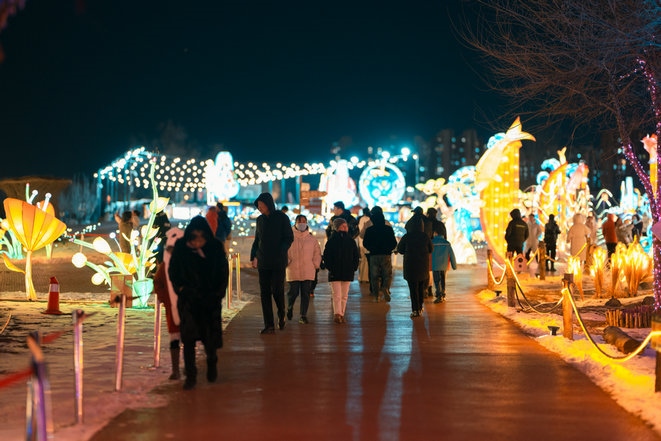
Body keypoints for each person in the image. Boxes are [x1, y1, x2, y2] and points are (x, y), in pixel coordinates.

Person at [168, 216, 228, 390]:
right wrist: (180, 288)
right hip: (189, 300)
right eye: (195, 237)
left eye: (201, 237)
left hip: (210, 300)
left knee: (209, 339)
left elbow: (223, 272)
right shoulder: (181, 247)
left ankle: (212, 362)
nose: (198, 241)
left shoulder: (215, 247)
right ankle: (191, 375)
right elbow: (173, 270)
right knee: (188, 340)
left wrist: (218, 294)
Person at [250, 192, 294, 334]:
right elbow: (257, 240)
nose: (259, 208)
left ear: (268, 204)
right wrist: (253, 255)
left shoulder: (282, 217)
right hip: (263, 261)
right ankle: (269, 324)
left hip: (278, 261)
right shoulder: (260, 220)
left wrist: (282, 250)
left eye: (261, 205)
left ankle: (281, 313)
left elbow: (289, 237)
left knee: (277, 290)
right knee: (264, 293)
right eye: (258, 206)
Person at [153, 227, 184, 380]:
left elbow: (157, 283)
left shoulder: (167, 265)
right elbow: (158, 283)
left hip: (182, 306)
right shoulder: (167, 266)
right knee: (179, 337)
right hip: (177, 307)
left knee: (178, 337)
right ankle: (179, 369)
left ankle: (180, 369)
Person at [322, 217, 359, 324]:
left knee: (344, 295)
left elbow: (355, 256)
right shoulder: (332, 241)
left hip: (347, 271)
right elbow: (327, 256)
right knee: (337, 294)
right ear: (337, 227)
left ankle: (341, 314)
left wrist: (354, 267)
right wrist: (330, 267)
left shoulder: (351, 241)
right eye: (342, 226)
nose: (345, 228)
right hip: (335, 271)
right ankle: (337, 314)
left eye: (346, 226)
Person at [286, 214, 321, 324]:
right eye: (300, 221)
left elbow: (317, 253)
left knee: (306, 293)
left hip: (308, 269)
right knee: (293, 292)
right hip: (293, 269)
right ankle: (290, 307)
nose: (302, 223)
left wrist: (315, 264)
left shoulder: (312, 239)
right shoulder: (289, 237)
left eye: (304, 221)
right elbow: (284, 251)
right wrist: (287, 261)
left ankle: (303, 315)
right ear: (295, 223)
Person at [396, 215, 432, 318]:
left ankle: (415, 310)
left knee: (413, 289)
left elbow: (400, 249)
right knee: (421, 288)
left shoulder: (407, 236)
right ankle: (420, 307)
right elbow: (431, 249)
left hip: (410, 266)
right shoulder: (425, 236)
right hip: (422, 266)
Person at [362, 207, 397, 302]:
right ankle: (385, 288)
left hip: (373, 255)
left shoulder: (370, 230)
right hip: (386, 255)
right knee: (387, 274)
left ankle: (376, 296)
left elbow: (365, 242)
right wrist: (389, 249)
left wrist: (371, 249)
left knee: (374, 276)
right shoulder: (388, 229)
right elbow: (393, 242)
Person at [431, 227, 457, 303]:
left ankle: (439, 294)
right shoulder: (447, 243)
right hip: (444, 265)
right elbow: (452, 255)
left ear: (436, 233)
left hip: (435, 265)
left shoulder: (432, 242)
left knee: (436, 280)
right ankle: (443, 293)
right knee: (443, 279)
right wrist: (454, 266)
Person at [356, 207, 371, 283]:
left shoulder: (361, 219)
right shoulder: (368, 219)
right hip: (367, 243)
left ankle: (361, 277)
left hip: (361, 242)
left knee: (362, 261)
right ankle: (365, 278)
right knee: (366, 261)